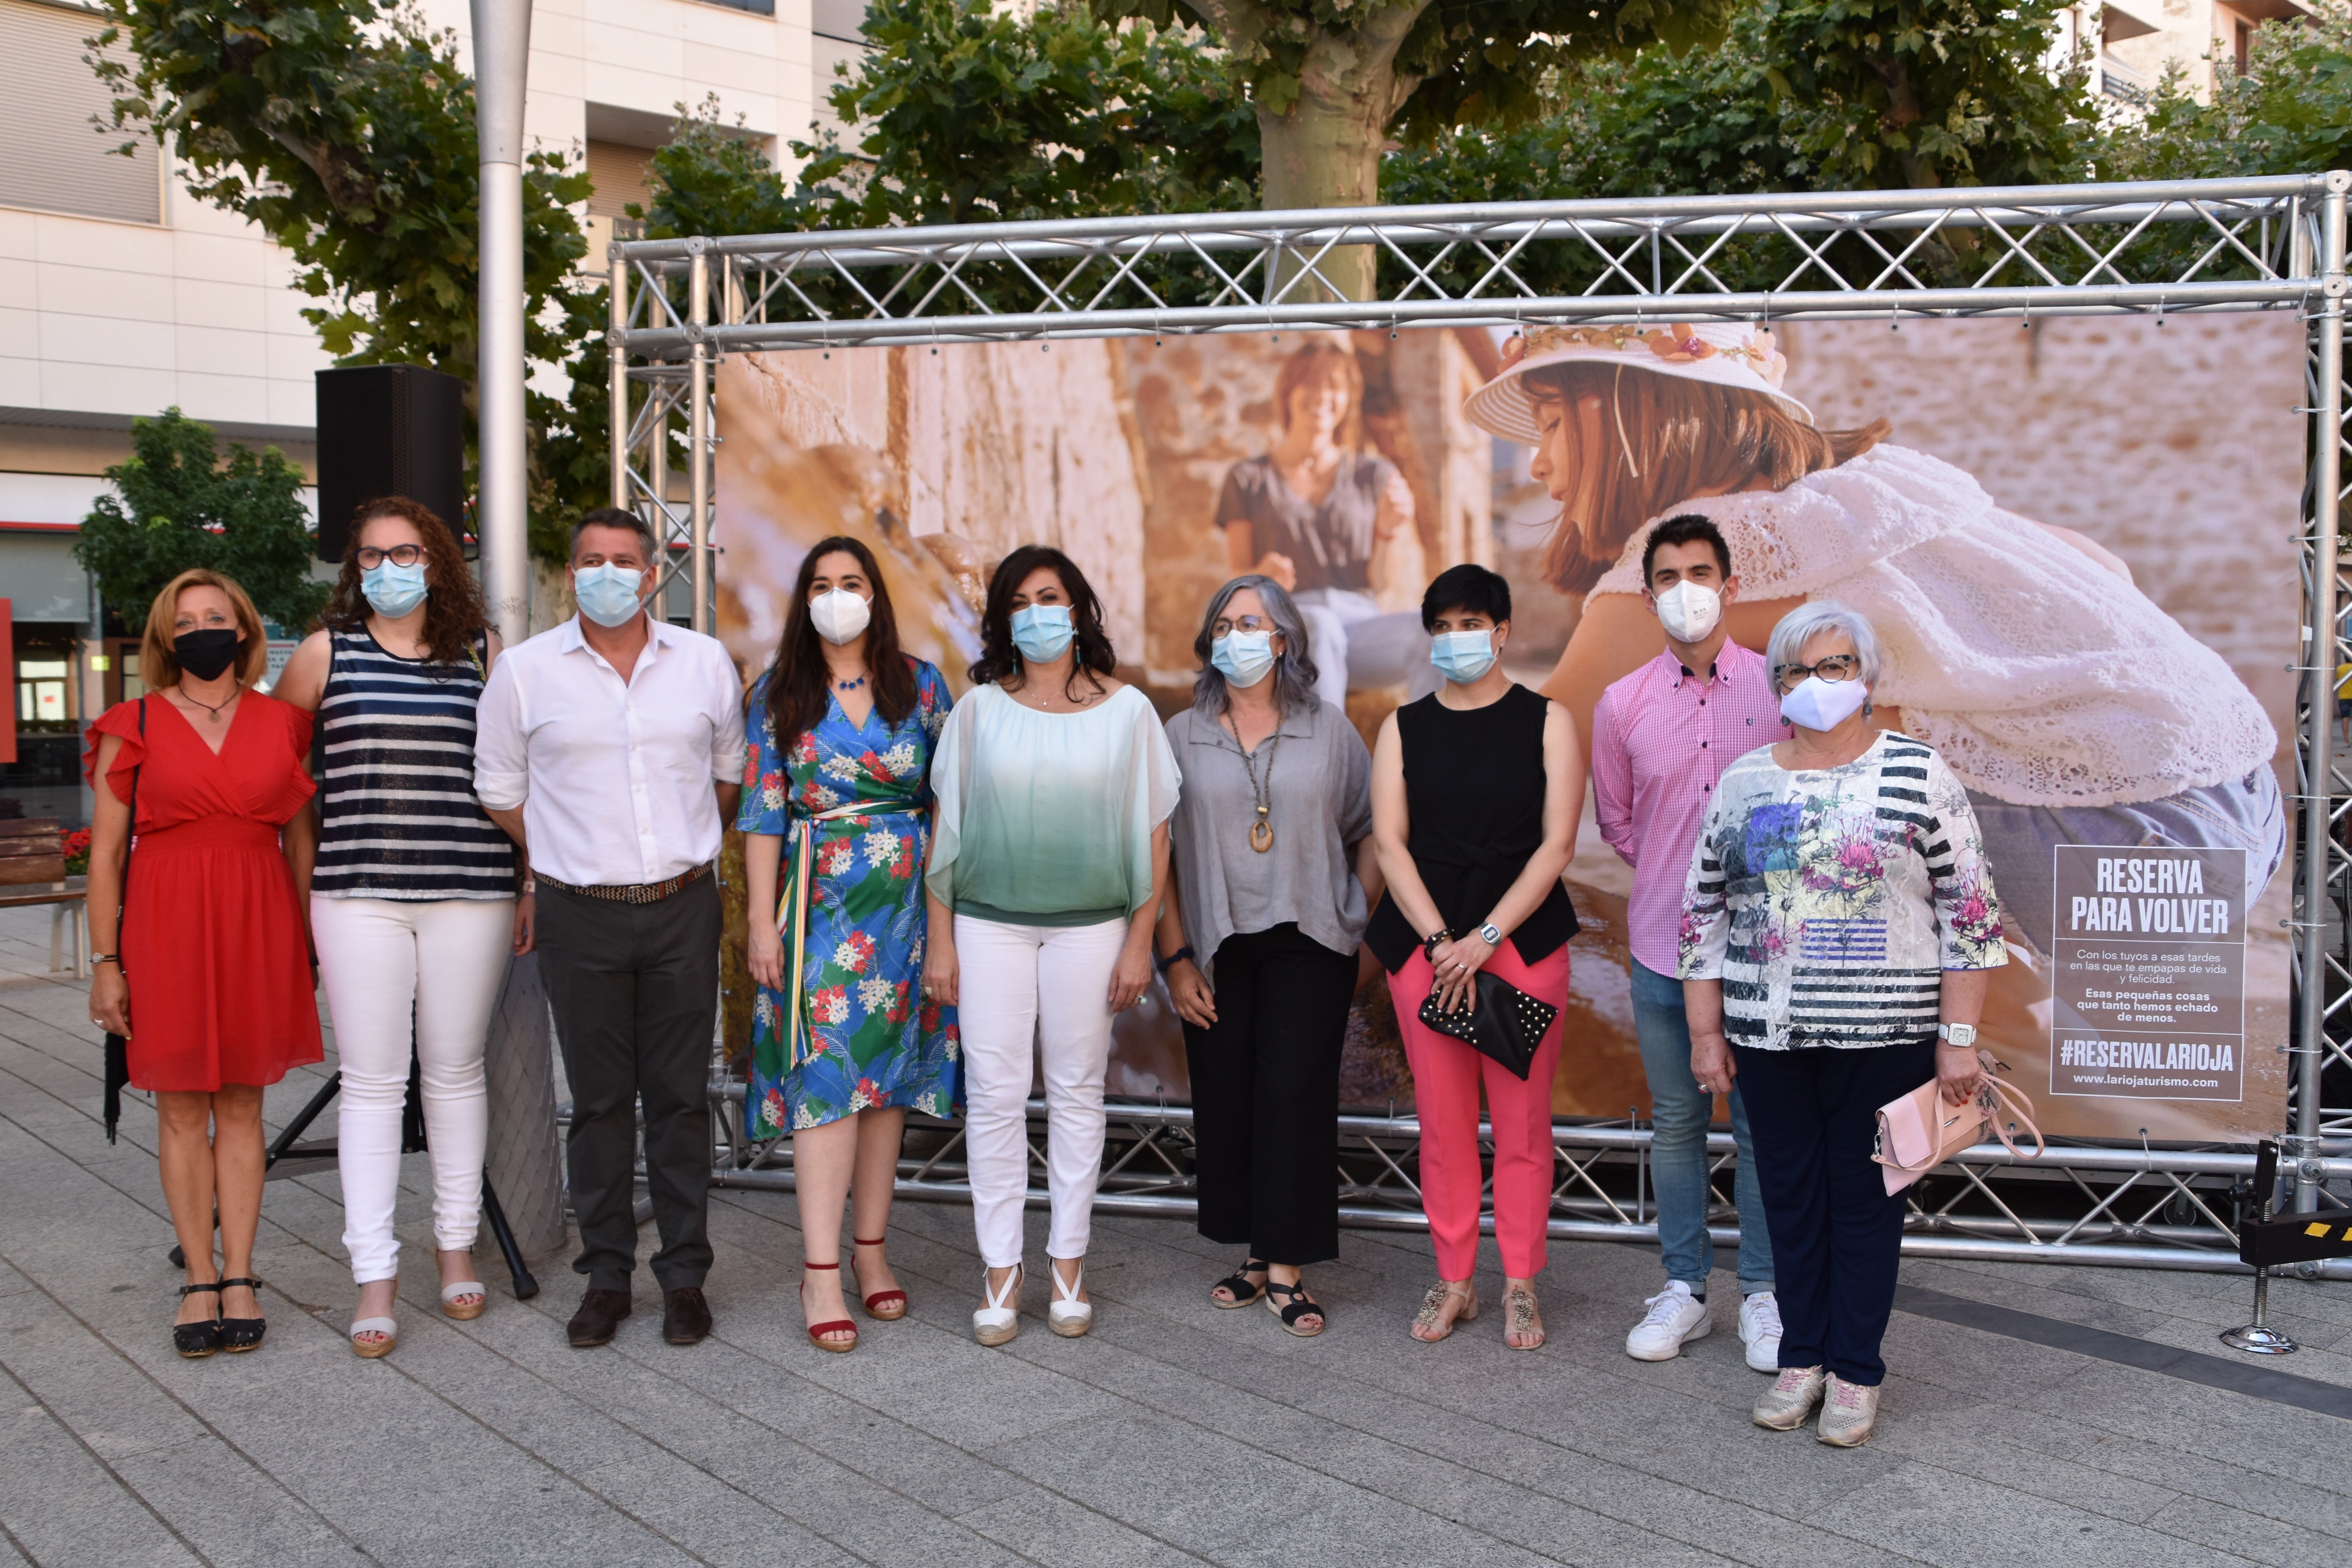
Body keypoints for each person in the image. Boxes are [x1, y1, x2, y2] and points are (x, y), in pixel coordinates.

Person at [1463, 321, 2282, 958]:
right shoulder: (1880, 483)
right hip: (2244, 800)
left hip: (2113, 861)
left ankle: (1886, 1029)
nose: (1536, 464)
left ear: (1626, 417)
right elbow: (2100, 561)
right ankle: (1988, 1002)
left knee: (1731, 781)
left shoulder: (1693, 555)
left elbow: (1525, 762)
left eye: (1551, 425)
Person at [1680, 601, 2007, 1448]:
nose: (1815, 684)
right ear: (1776, 685)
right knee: (1788, 1200)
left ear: (1865, 676)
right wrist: (1707, 1030)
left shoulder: (1920, 773)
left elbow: (1970, 914)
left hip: (1890, 1035)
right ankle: (1802, 1357)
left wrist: (1959, 1039)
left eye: (1834, 667)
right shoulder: (1748, 780)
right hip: (1771, 1034)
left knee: (1865, 1202)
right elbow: (1701, 911)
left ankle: (1857, 1369)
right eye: (1796, 670)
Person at [473, 507, 745, 1351]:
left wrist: (668, 851)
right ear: (570, 570)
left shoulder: (704, 663)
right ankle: (605, 1275)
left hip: (681, 906)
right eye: (591, 559)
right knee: (596, 1103)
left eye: (624, 560)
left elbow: (727, 778)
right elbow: (498, 786)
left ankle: (686, 1277)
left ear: (652, 572)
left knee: (678, 1099)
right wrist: (567, 850)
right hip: (577, 911)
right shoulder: (522, 672)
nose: (608, 574)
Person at [275, 497, 521, 1358]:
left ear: (439, 562)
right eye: (373, 553)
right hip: (356, 895)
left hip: (471, 891)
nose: (389, 567)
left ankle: (455, 1246)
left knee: (455, 1071)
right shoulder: (321, 654)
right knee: (374, 1081)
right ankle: (373, 1274)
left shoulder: (484, 655)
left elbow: (513, 779)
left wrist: (526, 881)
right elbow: (284, 783)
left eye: (407, 551)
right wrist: (305, 882)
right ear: (354, 567)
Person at [923, 545, 1180, 1346]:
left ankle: (1068, 1262)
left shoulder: (1129, 710)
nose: (1039, 611)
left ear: (1079, 610)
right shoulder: (977, 712)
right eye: (1022, 600)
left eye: (1053, 596)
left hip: (1093, 926)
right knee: (995, 1097)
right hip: (988, 922)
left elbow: (1154, 832)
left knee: (1077, 1093)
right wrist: (941, 942)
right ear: (1003, 618)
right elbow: (946, 833)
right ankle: (1001, 1270)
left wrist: (1141, 938)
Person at [83, 569, 322, 1358]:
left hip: (259, 924)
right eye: (184, 621)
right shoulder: (134, 721)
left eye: (215, 616)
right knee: (183, 1106)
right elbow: (108, 856)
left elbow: (299, 844)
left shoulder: (285, 723)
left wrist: (306, 946)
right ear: (164, 637)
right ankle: (198, 1274)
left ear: (246, 630)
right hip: (166, 927)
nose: (200, 630)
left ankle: (244, 1272)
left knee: (245, 1104)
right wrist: (106, 961)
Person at [739, 535, 961, 1354]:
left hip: (905, 908)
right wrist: (761, 922)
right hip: (817, 908)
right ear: (804, 598)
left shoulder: (924, 683)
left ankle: (873, 1250)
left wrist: (942, 929)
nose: (838, 595)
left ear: (877, 593)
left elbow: (949, 812)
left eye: (853, 581)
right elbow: (763, 813)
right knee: (827, 1077)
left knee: (887, 1084)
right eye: (823, 584)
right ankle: (821, 1268)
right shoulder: (777, 692)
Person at [1156, 574, 1377, 1338]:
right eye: (1223, 623)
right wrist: (1176, 957)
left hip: (1313, 936)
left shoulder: (1330, 729)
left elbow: (1370, 823)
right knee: (1228, 1094)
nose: (1235, 636)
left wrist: (1355, 908)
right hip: (1218, 942)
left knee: (1293, 1093)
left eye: (1251, 622)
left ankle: (1287, 1264)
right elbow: (1158, 853)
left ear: (1283, 638)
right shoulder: (1183, 732)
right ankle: (1253, 1253)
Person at [1367, 564, 1581, 1351]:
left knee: (1522, 1123)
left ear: (1501, 630)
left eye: (1471, 622)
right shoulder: (1403, 726)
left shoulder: (1547, 719)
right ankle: (1454, 1276)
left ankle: (1520, 1280)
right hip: (1425, 946)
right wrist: (1438, 943)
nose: (1457, 638)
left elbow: (1558, 842)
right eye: (1442, 625)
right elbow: (1389, 840)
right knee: (1443, 1123)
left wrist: (1485, 938)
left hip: (1519, 941)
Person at [1588, 514, 1781, 1370]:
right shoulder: (1622, 702)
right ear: (1649, 592)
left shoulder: (1782, 689)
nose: (1686, 589)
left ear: (1731, 585)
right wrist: (1681, 880)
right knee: (1676, 1121)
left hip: (1769, 954)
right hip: (1665, 946)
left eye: (1701, 571)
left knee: (1761, 1124)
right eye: (1668, 575)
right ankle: (1684, 1289)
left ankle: (1767, 1294)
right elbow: (1622, 823)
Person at [1217, 340, 1437, 711]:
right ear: (1288, 393)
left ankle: (1437, 763)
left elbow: (1380, 584)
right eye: (1312, 384)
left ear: (1348, 399)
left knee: (1436, 630)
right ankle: (1327, 763)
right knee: (1319, 624)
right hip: (1287, 631)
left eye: (1335, 386)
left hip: (1359, 629)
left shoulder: (1374, 475)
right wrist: (1259, 577)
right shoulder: (1248, 478)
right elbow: (1237, 580)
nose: (1323, 395)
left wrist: (1387, 531)